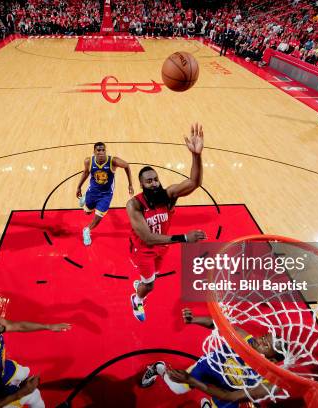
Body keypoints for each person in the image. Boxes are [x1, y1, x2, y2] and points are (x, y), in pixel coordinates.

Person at [128, 124, 207, 322]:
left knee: (153, 275)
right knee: (151, 284)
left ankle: (143, 282)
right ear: (142, 185)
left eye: (155, 179)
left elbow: (194, 182)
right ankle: (136, 298)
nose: (154, 183)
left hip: (163, 246)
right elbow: (147, 237)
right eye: (149, 181)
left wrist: (196, 155)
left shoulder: (169, 195)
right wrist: (185, 238)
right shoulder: (134, 204)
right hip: (143, 249)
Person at [141, 308, 282, 407]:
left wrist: (191, 381)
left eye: (266, 345)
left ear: (272, 360)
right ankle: (159, 368)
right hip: (210, 369)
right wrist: (193, 319)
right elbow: (216, 324)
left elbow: (228, 396)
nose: (259, 341)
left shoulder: (267, 382)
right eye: (263, 337)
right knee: (177, 388)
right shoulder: (243, 337)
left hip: (230, 391)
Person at [0, 314, 71, 408]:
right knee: (33, 395)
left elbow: (19, 326)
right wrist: (20, 393)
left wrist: (48, 326)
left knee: (24, 373)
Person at [75, 142, 133, 246]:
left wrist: (130, 184)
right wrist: (79, 186)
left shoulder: (113, 161)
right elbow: (86, 173)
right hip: (92, 191)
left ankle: (87, 230)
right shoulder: (89, 161)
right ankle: (85, 197)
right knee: (87, 213)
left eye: (103, 150)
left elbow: (127, 165)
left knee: (99, 216)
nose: (101, 152)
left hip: (106, 194)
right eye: (98, 150)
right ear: (94, 152)